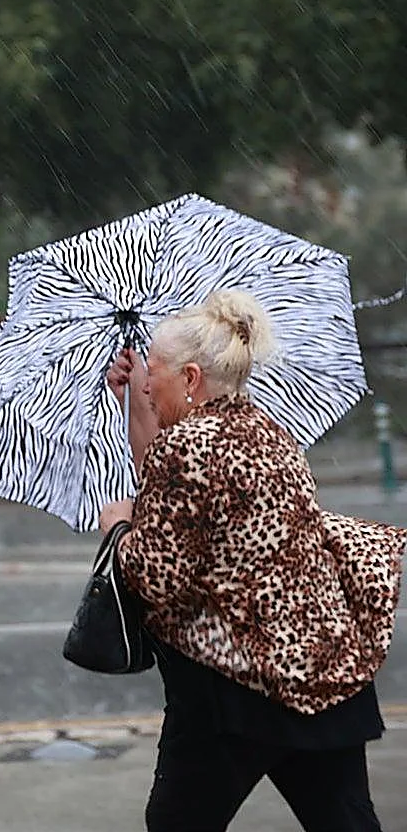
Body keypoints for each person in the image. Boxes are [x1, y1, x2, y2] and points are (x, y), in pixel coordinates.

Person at [100, 290, 406, 831]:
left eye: (154, 371)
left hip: (237, 688)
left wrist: (117, 529)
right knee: (345, 821)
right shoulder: (269, 433)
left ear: (191, 377)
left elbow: (155, 577)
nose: (147, 383)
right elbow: (167, 485)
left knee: (177, 823)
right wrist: (136, 405)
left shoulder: (188, 448)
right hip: (320, 672)